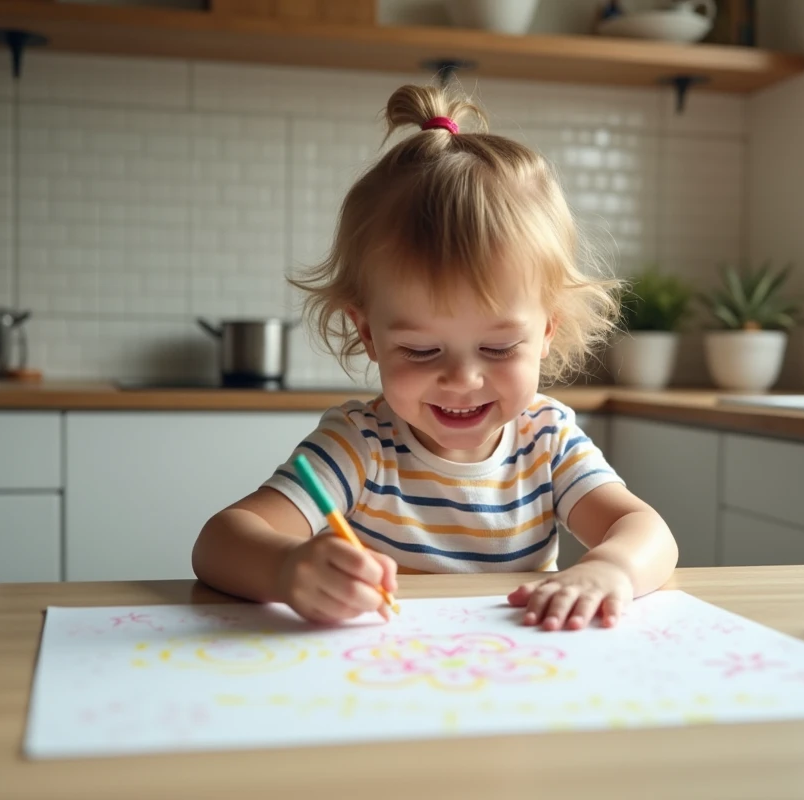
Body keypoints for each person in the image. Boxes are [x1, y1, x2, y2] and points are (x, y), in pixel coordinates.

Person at [193, 83, 678, 632]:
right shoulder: (361, 446)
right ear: (369, 335)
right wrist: (286, 569)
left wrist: (610, 568)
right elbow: (220, 541)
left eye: (497, 348)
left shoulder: (547, 441)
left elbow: (646, 529)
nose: (462, 379)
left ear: (546, 332)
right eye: (421, 350)